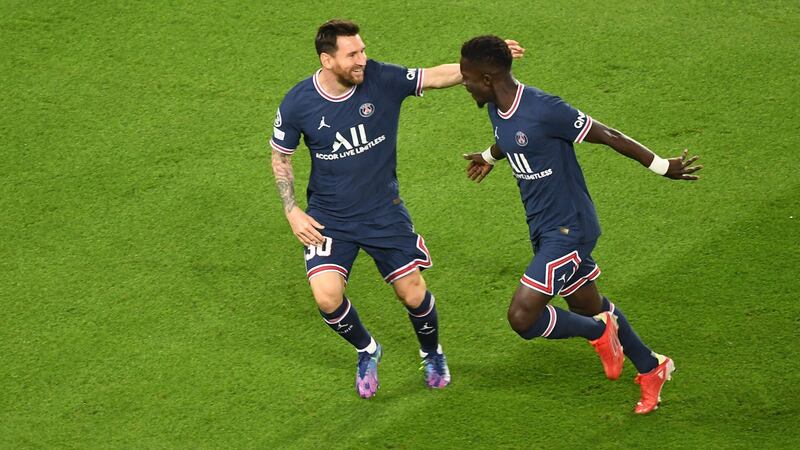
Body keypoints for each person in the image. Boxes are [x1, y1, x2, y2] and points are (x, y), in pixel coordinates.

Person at [270, 20, 524, 398]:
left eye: (363, 50)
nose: (362, 59)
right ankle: (367, 350)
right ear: (327, 60)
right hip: (330, 217)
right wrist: (292, 210)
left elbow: (435, 76)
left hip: (383, 212)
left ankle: (432, 351)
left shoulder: (381, 78)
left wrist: (486, 61)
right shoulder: (298, 103)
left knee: (413, 294)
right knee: (326, 296)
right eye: (352, 54)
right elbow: (281, 156)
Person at [458, 35, 701, 414]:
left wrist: (662, 166)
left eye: (467, 77)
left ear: (487, 78)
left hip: (569, 229)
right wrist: (489, 156)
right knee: (589, 303)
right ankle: (653, 367)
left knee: (522, 317)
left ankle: (599, 332)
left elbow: (608, 135)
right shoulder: (495, 106)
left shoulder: (544, 108)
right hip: (543, 227)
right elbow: (509, 138)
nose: (464, 83)